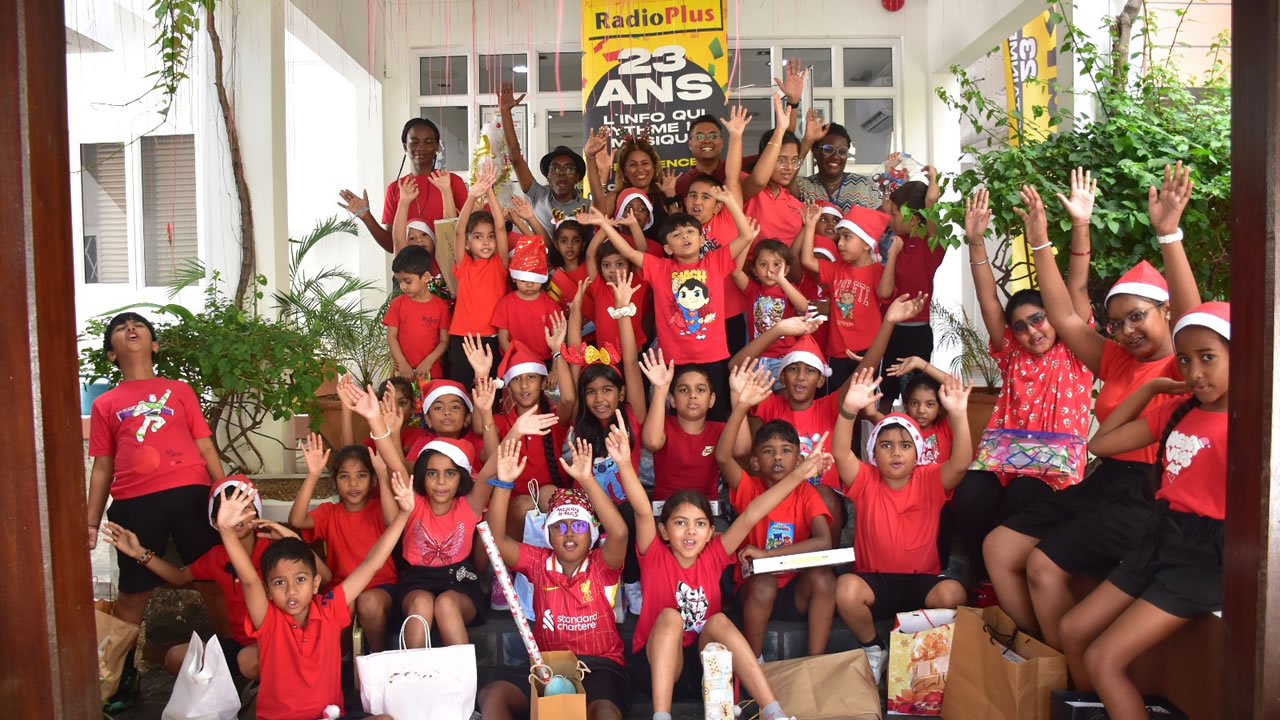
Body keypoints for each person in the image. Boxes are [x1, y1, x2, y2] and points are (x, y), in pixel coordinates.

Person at [987, 166, 1198, 648]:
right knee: (999, 548)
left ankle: (1065, 671)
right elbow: (1062, 314)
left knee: (1042, 567)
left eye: (1138, 317)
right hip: (1105, 478)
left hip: (1147, 491)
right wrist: (1040, 240)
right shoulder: (1115, 357)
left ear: (1165, 312)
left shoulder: (1186, 362)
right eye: (1117, 322)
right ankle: (1043, 659)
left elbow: (1192, 314)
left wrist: (1170, 234)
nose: (1126, 331)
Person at [1060, 301, 1228, 719]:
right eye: (1185, 360)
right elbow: (1101, 444)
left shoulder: (1251, 425)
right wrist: (1150, 389)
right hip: (1158, 537)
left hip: (1203, 558)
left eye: (1208, 357)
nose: (1193, 373)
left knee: (1104, 658)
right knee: (1071, 629)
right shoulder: (1178, 409)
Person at [623, 415, 827, 720]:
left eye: (699, 525)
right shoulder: (655, 555)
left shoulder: (715, 554)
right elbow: (640, 507)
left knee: (717, 621)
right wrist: (625, 463)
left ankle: (773, 711)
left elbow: (753, 513)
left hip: (705, 669)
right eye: (680, 524)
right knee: (669, 617)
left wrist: (799, 475)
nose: (690, 532)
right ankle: (661, 716)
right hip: (660, 667)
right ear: (664, 531)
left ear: (710, 533)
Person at [950, 186, 1095, 611]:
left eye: (1038, 319)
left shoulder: (1075, 348)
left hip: (1050, 472)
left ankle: (1008, 578)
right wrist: (976, 241)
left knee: (1021, 500)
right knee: (970, 495)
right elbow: (987, 300)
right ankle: (983, 578)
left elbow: (1078, 283)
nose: (1032, 331)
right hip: (1002, 460)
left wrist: (1071, 228)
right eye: (1021, 326)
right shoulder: (1012, 353)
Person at [87, 312, 227, 652]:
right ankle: (119, 679)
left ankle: (234, 656)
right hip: (134, 503)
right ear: (111, 353)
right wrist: (91, 522)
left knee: (213, 582)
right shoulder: (104, 404)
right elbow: (102, 466)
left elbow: (205, 445)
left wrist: (225, 493)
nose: (130, 329)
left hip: (190, 495)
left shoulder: (179, 390)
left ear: (154, 345)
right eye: (120, 328)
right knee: (133, 594)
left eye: (138, 326)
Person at [215, 477, 409, 720]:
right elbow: (249, 579)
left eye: (300, 580)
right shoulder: (268, 618)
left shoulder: (329, 608)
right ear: (267, 591)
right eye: (279, 583)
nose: (291, 591)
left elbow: (371, 565)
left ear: (316, 583)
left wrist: (403, 514)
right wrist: (226, 531)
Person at [832, 369, 974, 682]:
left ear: (917, 452)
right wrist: (848, 411)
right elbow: (840, 451)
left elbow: (962, 462)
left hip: (920, 583)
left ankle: (923, 657)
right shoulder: (865, 479)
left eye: (905, 446)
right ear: (873, 451)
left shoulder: (930, 478)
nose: (896, 452)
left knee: (953, 592)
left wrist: (960, 415)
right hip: (876, 584)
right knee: (844, 589)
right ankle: (873, 648)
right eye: (886, 445)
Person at [99, 478, 317, 681]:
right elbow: (178, 577)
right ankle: (232, 688)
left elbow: (316, 576)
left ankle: (258, 687)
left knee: (250, 661)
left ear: (257, 513)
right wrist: (139, 553)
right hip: (238, 645)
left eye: (245, 508)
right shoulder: (216, 557)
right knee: (176, 657)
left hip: (278, 642)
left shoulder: (275, 550)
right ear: (216, 520)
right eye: (229, 511)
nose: (238, 517)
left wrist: (294, 541)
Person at [341, 381, 504, 649]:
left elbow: (493, 465)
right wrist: (374, 419)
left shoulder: (470, 505)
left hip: (461, 581)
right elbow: (393, 460)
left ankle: (462, 686)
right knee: (421, 604)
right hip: (416, 581)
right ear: (421, 478)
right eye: (432, 473)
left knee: (446, 604)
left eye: (449, 474)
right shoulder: (414, 503)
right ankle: (412, 681)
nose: (440, 482)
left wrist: (512, 426)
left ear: (461, 478)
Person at [477, 437, 632, 720]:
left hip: (599, 666)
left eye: (578, 526)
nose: (569, 532)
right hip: (545, 665)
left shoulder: (602, 563)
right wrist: (503, 483)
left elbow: (620, 533)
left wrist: (586, 480)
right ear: (548, 535)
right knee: (493, 694)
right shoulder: (537, 562)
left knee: (606, 712)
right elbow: (497, 540)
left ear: (592, 535)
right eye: (560, 526)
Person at [718, 362, 837, 659]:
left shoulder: (806, 492)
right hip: (754, 587)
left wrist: (767, 555)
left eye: (787, 450)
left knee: (824, 578)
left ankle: (815, 662)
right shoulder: (747, 486)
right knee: (764, 582)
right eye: (769, 451)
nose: (778, 457)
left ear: (799, 460)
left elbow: (824, 542)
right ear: (756, 460)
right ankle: (754, 662)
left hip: (796, 588)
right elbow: (722, 456)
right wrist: (741, 407)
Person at [289, 435, 400, 653]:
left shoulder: (379, 508)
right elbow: (297, 520)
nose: (353, 483)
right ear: (335, 481)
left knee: (368, 602)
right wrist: (313, 475)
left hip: (382, 587)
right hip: (343, 587)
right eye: (344, 476)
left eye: (361, 475)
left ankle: (376, 663)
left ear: (372, 480)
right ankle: (341, 665)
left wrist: (382, 473)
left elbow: (392, 521)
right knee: (342, 604)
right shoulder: (330, 513)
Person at [796, 204, 898, 391]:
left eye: (847, 237)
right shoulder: (837, 269)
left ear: (867, 243)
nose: (840, 242)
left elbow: (885, 293)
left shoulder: (878, 272)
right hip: (837, 353)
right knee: (835, 407)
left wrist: (891, 257)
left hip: (868, 353)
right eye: (840, 236)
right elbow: (807, 260)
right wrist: (810, 225)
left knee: (865, 407)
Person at [339, 117, 468, 254]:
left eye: (428, 142)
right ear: (405, 146)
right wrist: (366, 216)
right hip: (410, 273)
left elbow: (468, 233)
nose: (421, 147)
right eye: (414, 142)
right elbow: (392, 245)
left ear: (437, 147)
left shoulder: (452, 182)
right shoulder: (395, 189)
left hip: (450, 272)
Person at [878, 172, 946, 413]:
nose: (891, 218)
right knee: (884, 395)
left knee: (914, 397)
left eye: (896, 214)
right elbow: (883, 210)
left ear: (915, 218)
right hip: (889, 331)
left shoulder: (930, 245)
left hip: (916, 333)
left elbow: (931, 209)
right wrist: (889, 176)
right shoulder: (898, 241)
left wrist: (934, 182)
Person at [639, 352, 745, 503]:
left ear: (711, 400)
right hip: (665, 510)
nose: (692, 395)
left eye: (700, 390)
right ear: (673, 400)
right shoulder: (664, 426)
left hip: (706, 512)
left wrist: (739, 399)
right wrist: (660, 389)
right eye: (683, 390)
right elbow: (652, 442)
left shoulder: (719, 430)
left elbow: (741, 450)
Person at [448, 164, 512, 390]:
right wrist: (472, 196)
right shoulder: (463, 264)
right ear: (467, 243)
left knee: (489, 395)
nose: (486, 242)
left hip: (492, 340)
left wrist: (490, 191)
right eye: (478, 237)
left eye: (490, 237)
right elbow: (458, 230)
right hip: (461, 339)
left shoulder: (499, 264)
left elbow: (501, 228)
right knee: (463, 393)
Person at [497, 84, 590, 231]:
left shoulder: (589, 207)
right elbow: (516, 159)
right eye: (555, 168)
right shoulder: (538, 196)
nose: (561, 173)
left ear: (578, 176)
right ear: (547, 175)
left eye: (569, 169)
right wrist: (505, 113)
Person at [731, 238, 810, 382]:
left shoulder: (788, 289)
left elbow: (803, 306)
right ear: (754, 270)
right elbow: (736, 272)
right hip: (757, 359)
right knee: (760, 402)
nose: (770, 269)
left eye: (776, 265)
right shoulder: (753, 290)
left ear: (786, 270)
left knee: (784, 400)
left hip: (784, 357)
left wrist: (782, 280)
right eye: (763, 264)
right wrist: (747, 240)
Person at [794, 115, 899, 213]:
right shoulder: (804, 187)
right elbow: (788, 179)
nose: (835, 157)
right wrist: (807, 141)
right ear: (815, 152)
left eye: (842, 152)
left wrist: (891, 179)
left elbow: (880, 217)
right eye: (828, 149)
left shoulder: (863, 185)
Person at [386, 245, 451, 381]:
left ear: (426, 276)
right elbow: (391, 336)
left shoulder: (441, 307)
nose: (403, 286)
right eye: (399, 281)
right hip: (402, 373)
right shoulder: (398, 303)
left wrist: (428, 361)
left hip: (431, 372)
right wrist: (402, 363)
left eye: (408, 281)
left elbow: (444, 341)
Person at [492, 234, 562, 360]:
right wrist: (519, 359)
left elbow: (558, 338)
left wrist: (555, 368)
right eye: (524, 280)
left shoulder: (550, 304)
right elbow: (503, 339)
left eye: (534, 280)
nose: (529, 285)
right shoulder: (505, 304)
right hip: (514, 360)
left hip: (545, 360)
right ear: (514, 278)